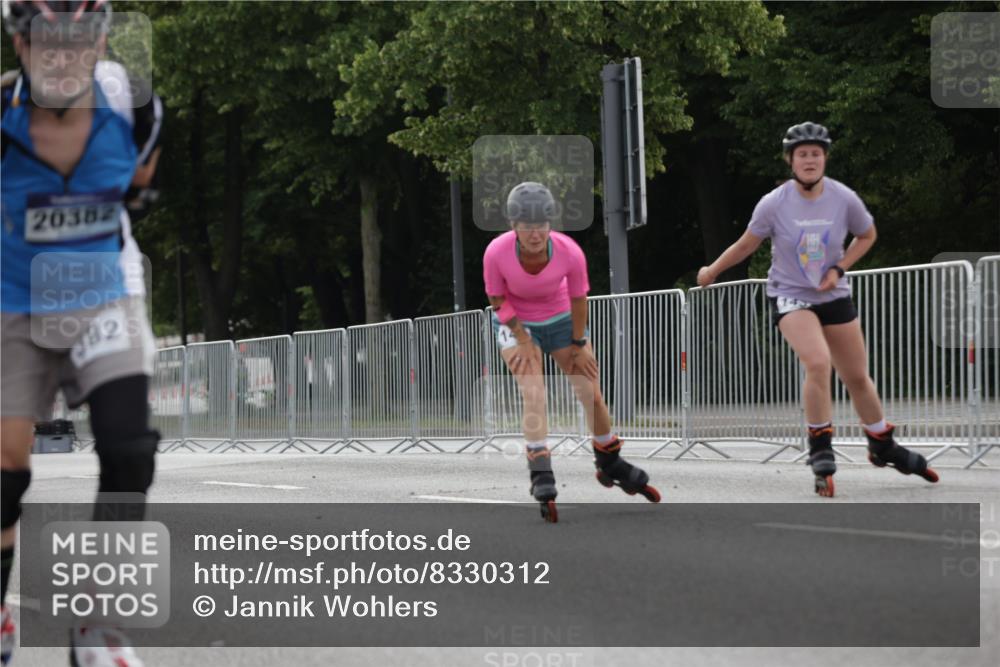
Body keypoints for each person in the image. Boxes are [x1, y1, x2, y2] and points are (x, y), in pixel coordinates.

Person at [1, 2, 162, 664]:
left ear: (99, 44)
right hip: (12, 297)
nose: (62, 60)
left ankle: (95, 622)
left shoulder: (135, 107)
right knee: (7, 473)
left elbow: (140, 190)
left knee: (130, 449)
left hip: (103, 290)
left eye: (77, 44)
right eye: (47, 46)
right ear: (20, 45)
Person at [696, 121, 939, 497]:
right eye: (802, 154)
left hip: (834, 294)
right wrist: (712, 270)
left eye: (815, 154)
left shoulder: (843, 198)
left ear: (825, 159)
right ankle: (820, 447)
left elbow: (867, 235)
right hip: (791, 294)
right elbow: (747, 245)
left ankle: (882, 442)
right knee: (818, 362)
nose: (809, 160)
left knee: (857, 376)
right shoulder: (774, 203)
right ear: (790, 161)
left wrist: (840, 268)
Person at [483, 181, 660, 522]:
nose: (535, 234)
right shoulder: (496, 253)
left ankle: (609, 459)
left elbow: (579, 300)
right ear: (513, 226)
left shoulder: (568, 251)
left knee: (590, 392)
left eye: (542, 225)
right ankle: (541, 473)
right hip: (516, 322)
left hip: (564, 320)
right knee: (534, 393)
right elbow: (497, 300)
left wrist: (579, 345)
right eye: (527, 226)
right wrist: (521, 338)